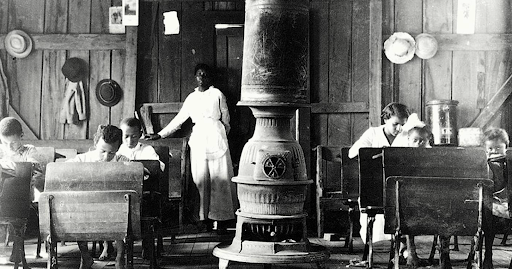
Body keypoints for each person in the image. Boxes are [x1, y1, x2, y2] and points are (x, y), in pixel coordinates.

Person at [146, 63, 237, 233]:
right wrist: (160, 134)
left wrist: (221, 133)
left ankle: (222, 219)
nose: (202, 78)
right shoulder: (192, 98)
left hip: (217, 137)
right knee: (201, 179)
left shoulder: (217, 94)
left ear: (210, 78)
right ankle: (204, 219)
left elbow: (226, 117)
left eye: (205, 75)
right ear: (195, 77)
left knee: (221, 177)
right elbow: (179, 119)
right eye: (199, 75)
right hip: (199, 138)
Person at [67, 125, 129, 269]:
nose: (106, 157)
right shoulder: (83, 159)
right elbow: (65, 169)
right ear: (96, 144)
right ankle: (85, 256)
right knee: (77, 217)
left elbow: (135, 171)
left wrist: (136, 168)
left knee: (123, 214)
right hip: (88, 209)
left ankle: (120, 256)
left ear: (118, 149)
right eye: (102, 151)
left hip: (114, 209)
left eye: (111, 153)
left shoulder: (122, 160)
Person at [0, 117, 45, 264]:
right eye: (4, 142)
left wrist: (9, 165)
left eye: (13, 143)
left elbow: (32, 166)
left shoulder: (29, 150)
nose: (9, 147)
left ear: (21, 136)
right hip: (3, 197)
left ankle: (17, 249)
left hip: (22, 199)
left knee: (18, 183)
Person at [117, 117, 163, 260]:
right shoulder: (117, 150)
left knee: (147, 210)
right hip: (121, 194)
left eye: (134, 136)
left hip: (143, 195)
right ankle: (118, 250)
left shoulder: (147, 149)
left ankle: (147, 247)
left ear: (141, 134)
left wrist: (140, 166)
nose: (130, 141)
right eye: (126, 136)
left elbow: (158, 166)